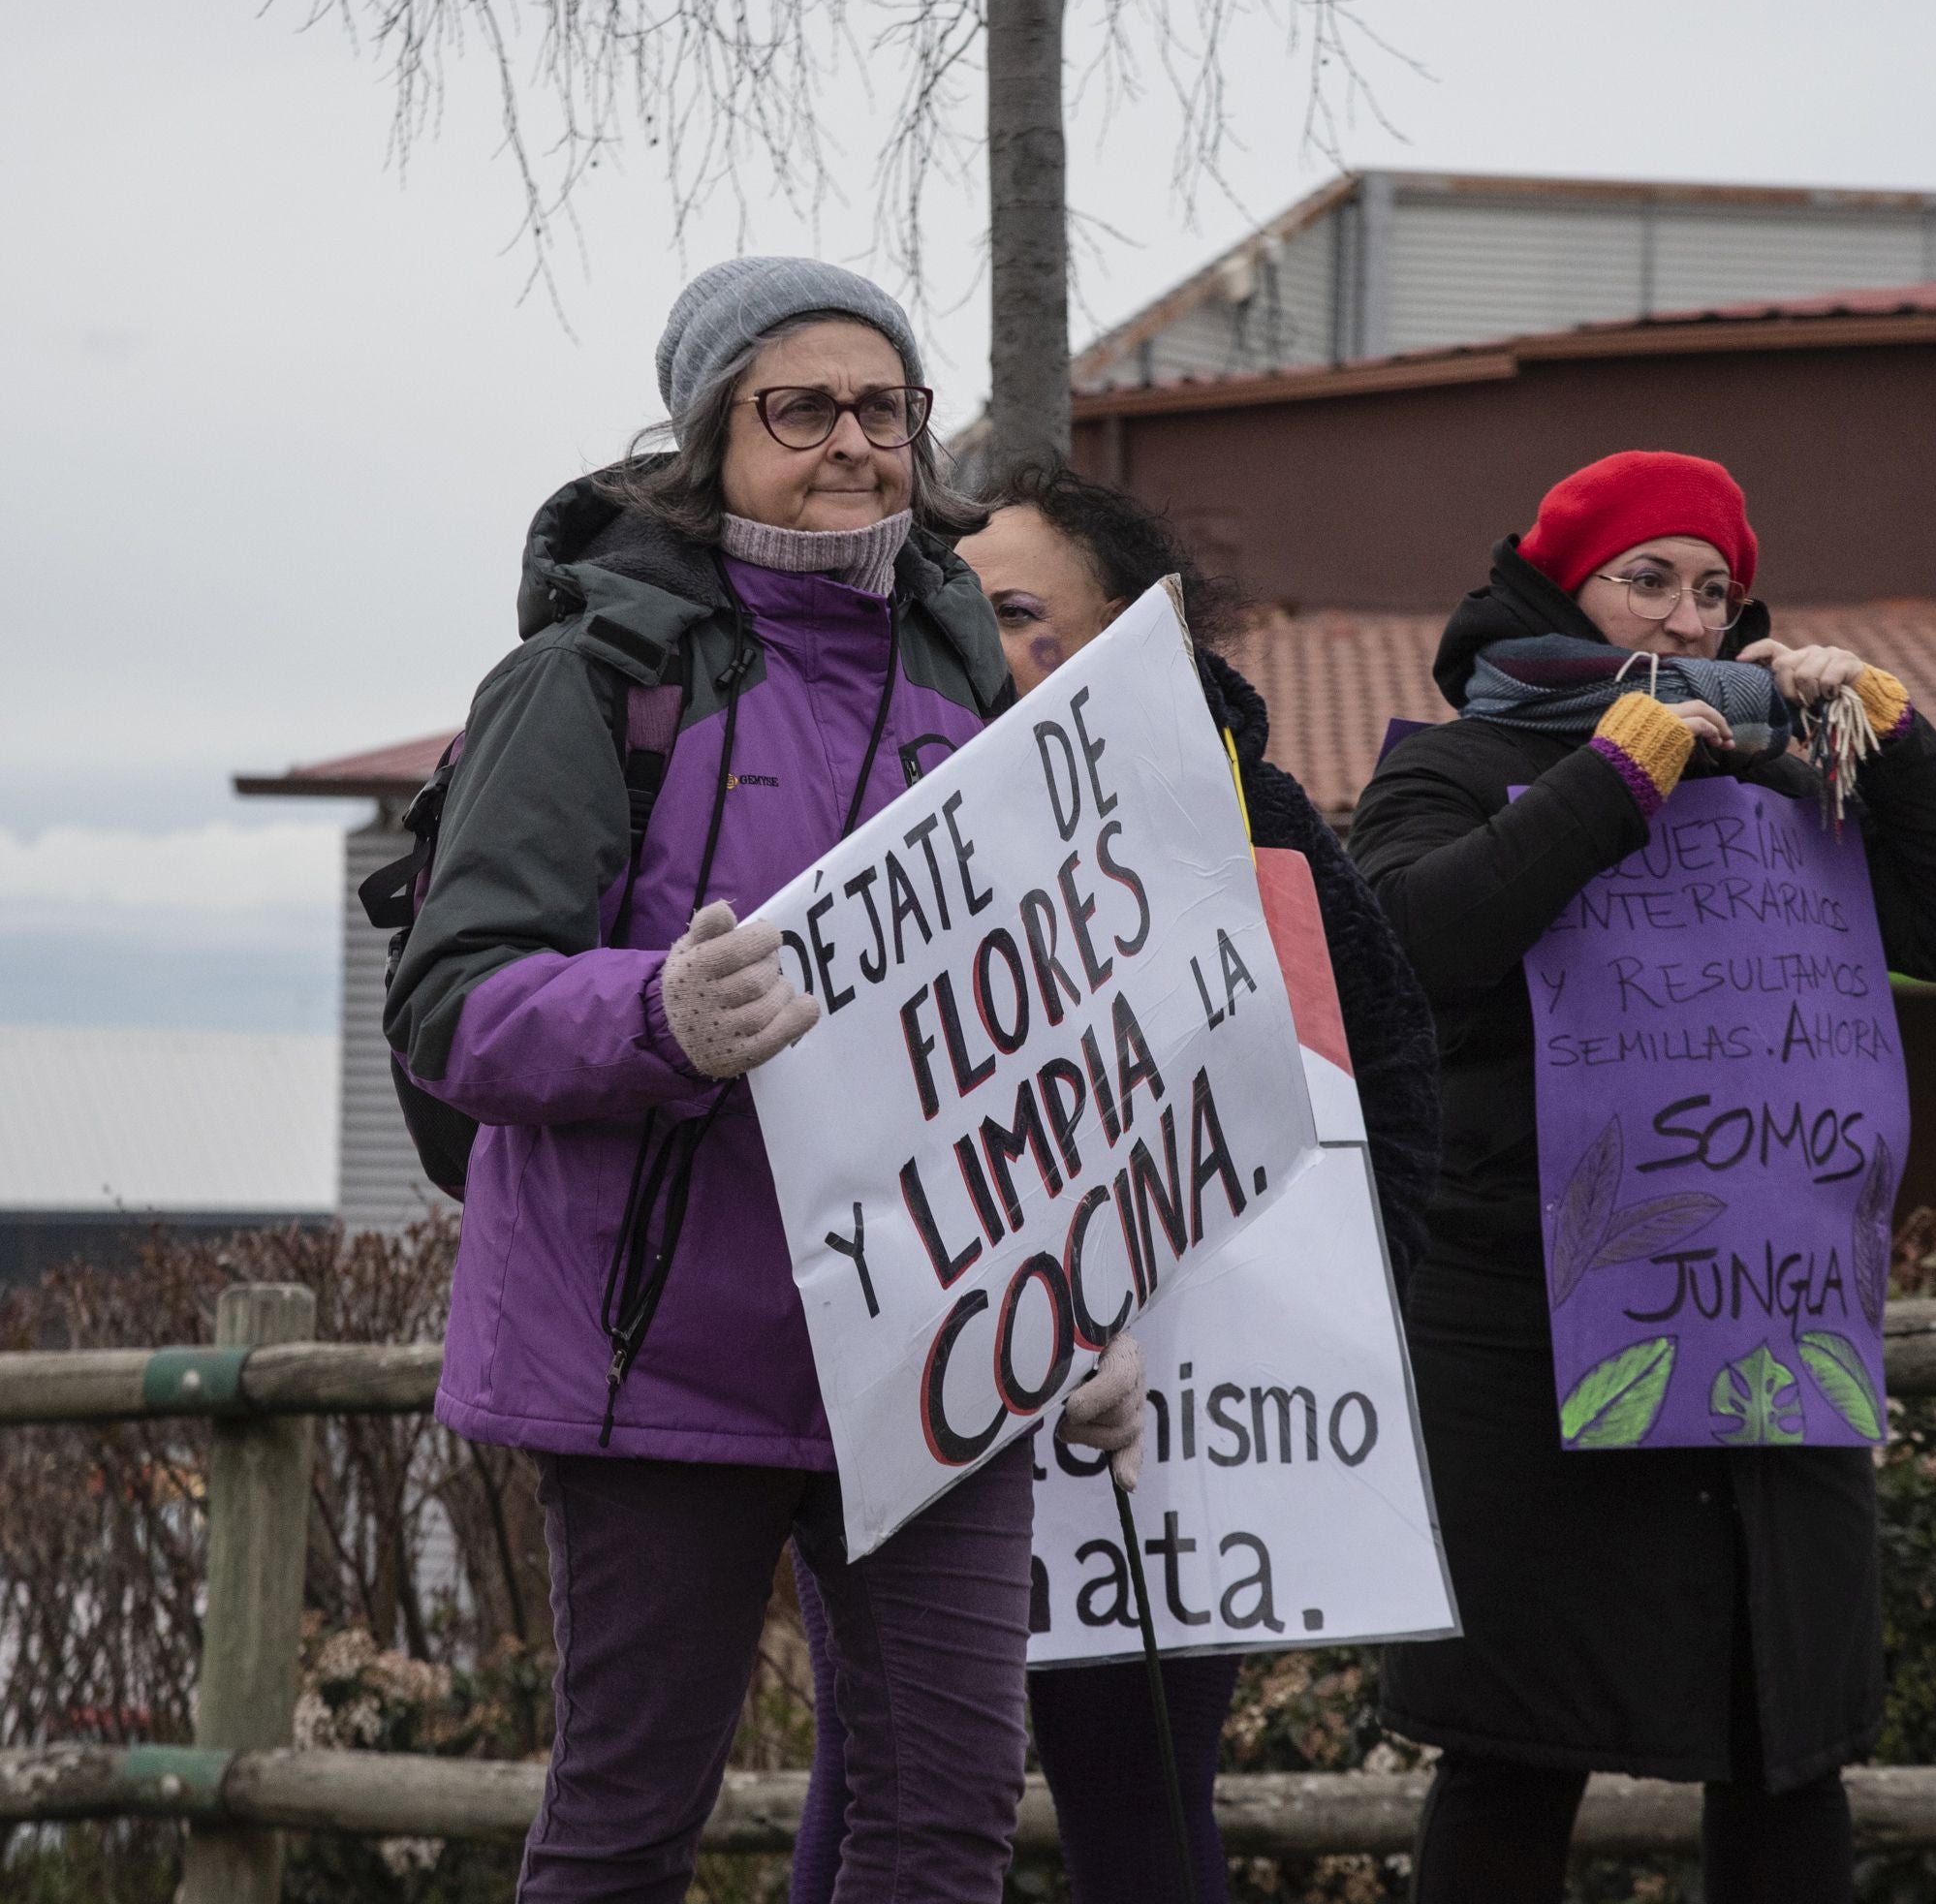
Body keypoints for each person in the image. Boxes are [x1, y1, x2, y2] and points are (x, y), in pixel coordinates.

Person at [385, 258, 1143, 1904]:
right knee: (627, 1825)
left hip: (933, 1347)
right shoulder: (585, 680)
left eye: (883, 406)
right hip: (661, 1352)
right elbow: (456, 1005)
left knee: (945, 1825)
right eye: (798, 407)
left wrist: (1071, 1291)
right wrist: (653, 1013)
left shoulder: (972, 688)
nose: (851, 443)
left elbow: (1034, 1033)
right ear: (710, 436)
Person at [1344, 451, 1936, 1902]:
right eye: (1645, 580)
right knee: (1509, 1752)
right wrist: (1609, 783)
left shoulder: (1791, 779)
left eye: (1716, 588)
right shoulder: (1451, 764)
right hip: (1532, 1352)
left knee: (1786, 1748)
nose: (1689, 618)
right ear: (1558, 589)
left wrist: (1894, 739)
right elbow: (1407, 955)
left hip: (1762, 1334)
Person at [785, 465, 1443, 1904]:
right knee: (882, 1774)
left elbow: (1382, 1084)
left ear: (1125, 636)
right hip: (918, 1401)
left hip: (1194, 1412)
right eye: (952, 606)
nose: (977, 640)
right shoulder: (861, 811)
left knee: (1143, 1789)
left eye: (1016, 611)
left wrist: (1343, 1313)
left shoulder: (1251, 817)